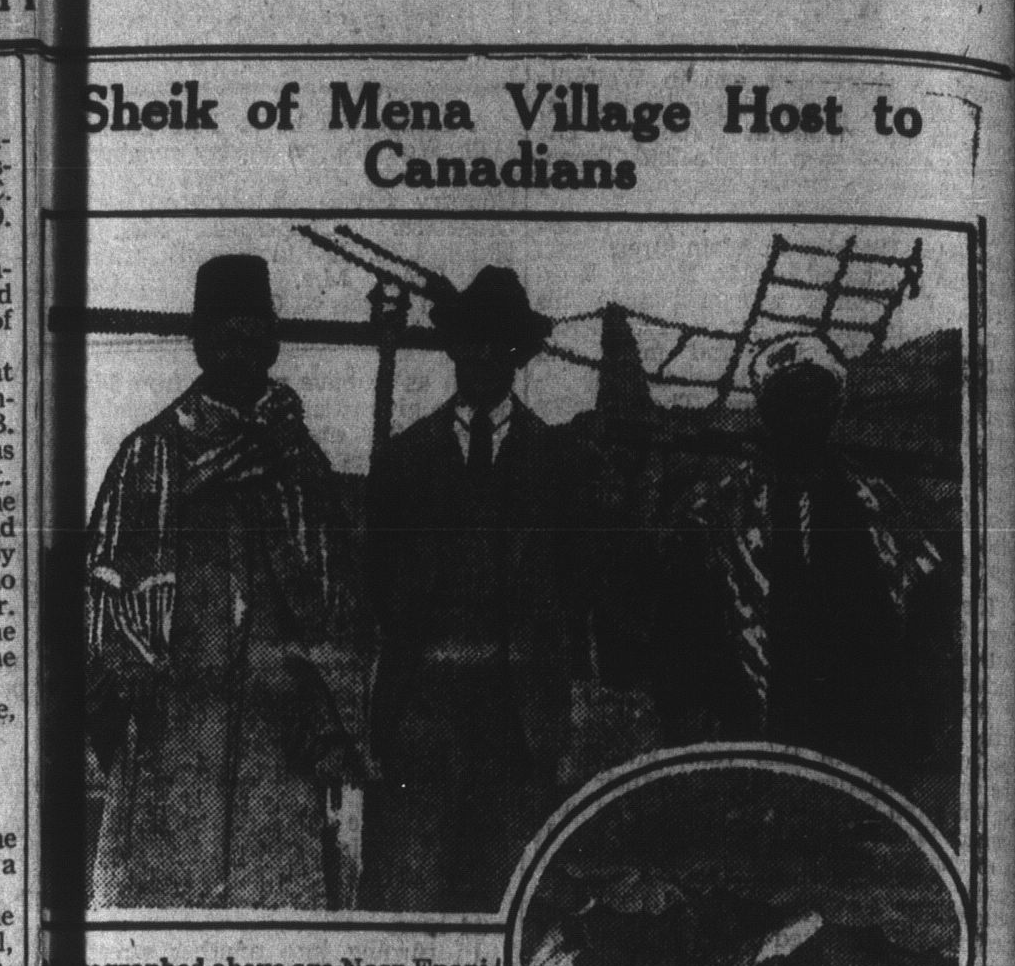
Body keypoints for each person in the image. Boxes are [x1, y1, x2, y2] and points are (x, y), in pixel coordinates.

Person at [82, 251, 360, 909]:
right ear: (198, 342)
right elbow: (100, 600)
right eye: (222, 333)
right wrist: (133, 706)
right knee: (166, 912)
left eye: (251, 333)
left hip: (276, 744)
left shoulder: (300, 464)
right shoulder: (151, 456)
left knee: (277, 919)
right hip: (177, 739)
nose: (237, 349)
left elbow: (340, 601)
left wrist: (323, 714)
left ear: (272, 343)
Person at [365, 265, 596, 909]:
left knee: (505, 898)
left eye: (502, 343)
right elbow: (378, 588)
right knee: (410, 899)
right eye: (473, 340)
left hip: (519, 725)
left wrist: (562, 718)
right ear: (453, 348)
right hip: (422, 719)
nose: (485, 356)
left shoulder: (561, 466)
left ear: (519, 355)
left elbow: (575, 595)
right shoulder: (403, 462)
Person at [657, 341, 945, 790]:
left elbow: (920, 600)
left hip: (858, 716)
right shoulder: (722, 510)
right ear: (767, 412)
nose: (803, 416)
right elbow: (691, 627)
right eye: (788, 402)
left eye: (816, 401)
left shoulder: (872, 501)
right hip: (765, 710)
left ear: (835, 409)